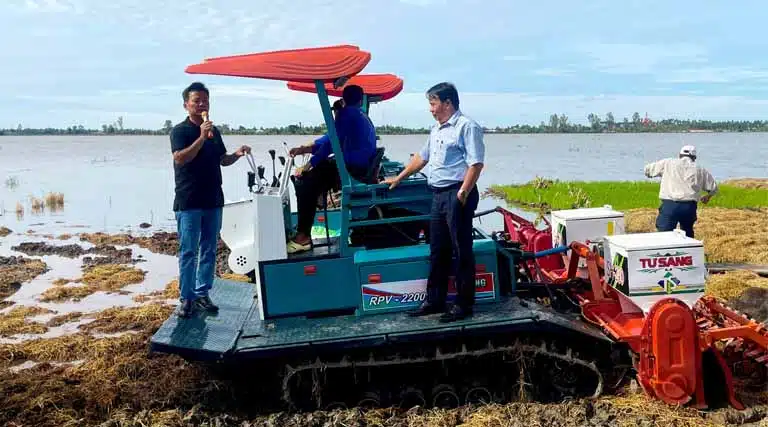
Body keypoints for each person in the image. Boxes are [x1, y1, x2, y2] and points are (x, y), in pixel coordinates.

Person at [384, 82, 485, 323]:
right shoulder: (437, 129)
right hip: (438, 194)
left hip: (457, 193)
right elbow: (422, 157)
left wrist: (463, 192)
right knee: (438, 248)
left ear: (447, 103)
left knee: (461, 250)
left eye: (433, 103)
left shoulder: (466, 127)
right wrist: (399, 177)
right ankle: (434, 300)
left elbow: (476, 163)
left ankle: (463, 304)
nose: (431, 108)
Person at [170, 81, 251, 317]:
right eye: (197, 100)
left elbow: (221, 160)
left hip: (213, 199)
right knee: (188, 251)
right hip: (189, 201)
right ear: (187, 105)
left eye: (205, 100)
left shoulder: (214, 133)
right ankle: (187, 298)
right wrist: (201, 137)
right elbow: (180, 158)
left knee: (209, 250)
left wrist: (237, 154)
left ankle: (203, 293)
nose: (202, 104)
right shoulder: (180, 131)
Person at [286, 85, 377, 254]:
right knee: (318, 172)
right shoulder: (362, 115)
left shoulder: (346, 113)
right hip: (360, 167)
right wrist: (303, 150)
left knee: (304, 181)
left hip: (352, 169)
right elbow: (326, 141)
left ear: (343, 100)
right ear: (360, 99)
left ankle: (303, 237)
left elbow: (330, 144)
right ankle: (318, 197)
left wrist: (307, 165)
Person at [644, 144, 718, 238]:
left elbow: (647, 170)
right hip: (689, 207)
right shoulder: (700, 169)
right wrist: (707, 196)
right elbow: (713, 188)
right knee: (687, 235)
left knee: (664, 235)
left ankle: (667, 251)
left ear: (679, 155)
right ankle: (689, 251)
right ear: (694, 157)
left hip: (670, 205)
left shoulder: (668, 162)